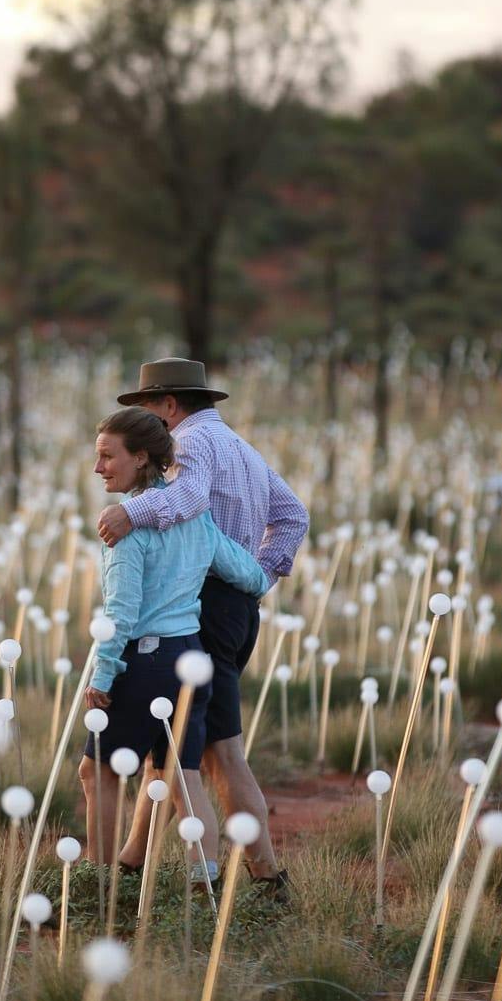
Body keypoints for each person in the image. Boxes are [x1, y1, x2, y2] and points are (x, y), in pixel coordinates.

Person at [97, 357, 308, 895]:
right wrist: (260, 576)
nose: (149, 423)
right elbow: (293, 515)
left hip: (203, 608)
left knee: (217, 752)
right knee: (174, 750)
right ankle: (130, 864)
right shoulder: (241, 447)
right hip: (235, 608)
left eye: (149, 410)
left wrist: (131, 514)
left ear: (170, 405)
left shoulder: (190, 445)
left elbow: (189, 500)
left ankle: (266, 876)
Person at [81, 406, 267, 888]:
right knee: (183, 776)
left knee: (95, 771)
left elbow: (121, 612)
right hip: (192, 657)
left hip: (144, 661)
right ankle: (202, 881)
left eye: (107, 456)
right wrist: (262, 581)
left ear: (141, 457)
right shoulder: (196, 518)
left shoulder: (125, 529)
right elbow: (246, 573)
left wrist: (103, 676)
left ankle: (97, 885)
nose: (98, 467)